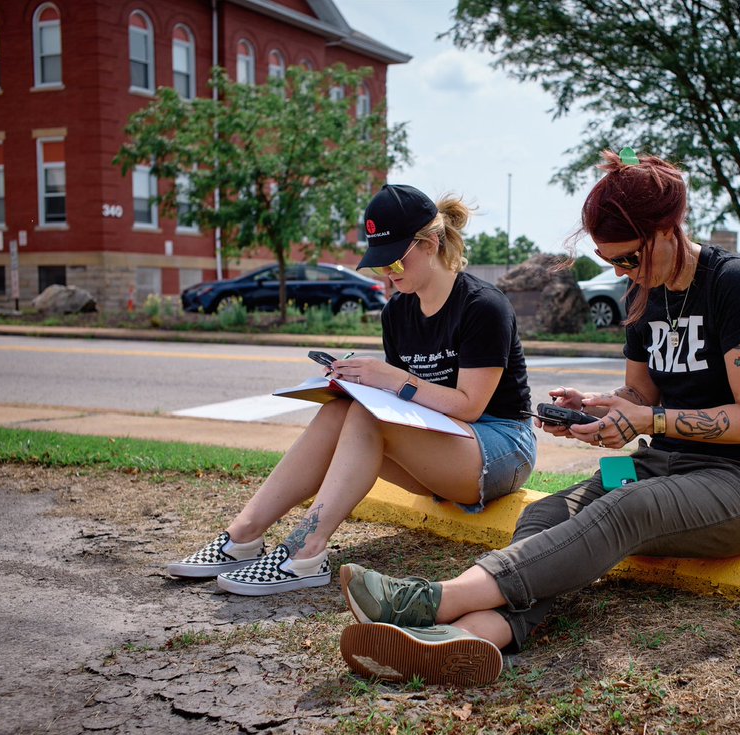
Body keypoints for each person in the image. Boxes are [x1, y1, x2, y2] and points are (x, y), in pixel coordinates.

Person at [335, 150, 740, 687]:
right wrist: (601, 408)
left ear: (668, 230)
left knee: (626, 505)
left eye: (628, 259)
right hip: (659, 466)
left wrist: (648, 419)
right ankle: (477, 635)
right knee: (546, 516)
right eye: (611, 263)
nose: (622, 273)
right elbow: (639, 394)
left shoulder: (734, 283)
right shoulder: (642, 293)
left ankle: (436, 601)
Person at [166, 185, 536, 595]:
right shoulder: (397, 312)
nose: (389, 274)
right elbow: (406, 405)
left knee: (365, 416)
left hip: (501, 446)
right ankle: (243, 535)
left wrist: (392, 380)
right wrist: (355, 385)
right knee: (342, 410)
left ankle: (306, 550)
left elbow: (469, 407)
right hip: (440, 443)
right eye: (380, 266)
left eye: (395, 260)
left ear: (430, 243)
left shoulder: (483, 305)